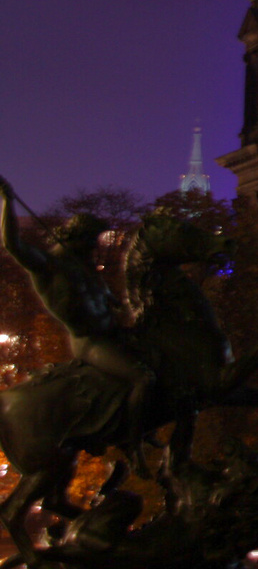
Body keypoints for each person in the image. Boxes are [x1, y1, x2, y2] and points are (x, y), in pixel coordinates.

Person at [0, 177, 153, 472]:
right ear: (77, 238)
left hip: (114, 334)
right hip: (91, 344)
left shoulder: (84, 266)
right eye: (91, 242)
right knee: (141, 378)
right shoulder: (49, 266)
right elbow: (13, 245)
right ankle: (134, 446)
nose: (95, 249)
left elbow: (107, 299)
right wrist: (7, 201)